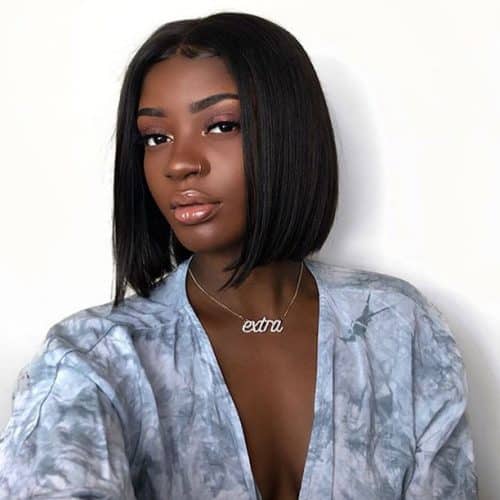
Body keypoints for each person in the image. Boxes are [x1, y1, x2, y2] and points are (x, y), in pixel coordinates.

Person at [0, 11, 478, 500]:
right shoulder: (91, 360)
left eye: (221, 126)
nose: (179, 163)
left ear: (289, 134)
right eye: (156, 138)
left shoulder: (398, 327)